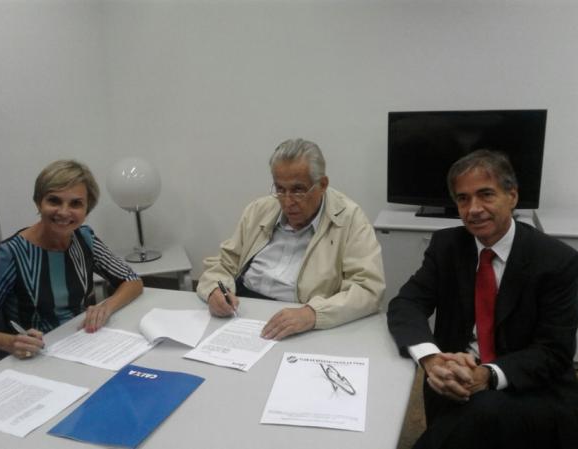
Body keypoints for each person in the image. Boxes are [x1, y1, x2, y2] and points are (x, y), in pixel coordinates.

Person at [387, 149, 578, 449]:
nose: (474, 209)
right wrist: (432, 358)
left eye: (486, 194)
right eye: (463, 199)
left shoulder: (557, 261)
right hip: (458, 374)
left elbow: (553, 351)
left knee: (481, 413)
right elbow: (406, 303)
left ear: (512, 196)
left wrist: (487, 375)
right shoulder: (447, 246)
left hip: (530, 386)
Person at [197, 138, 385, 340]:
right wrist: (215, 290)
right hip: (241, 312)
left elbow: (368, 289)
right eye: (280, 189)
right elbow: (223, 264)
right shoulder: (259, 210)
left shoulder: (349, 219)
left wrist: (313, 314)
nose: (287, 202)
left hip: (302, 320)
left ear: (322, 185)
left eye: (298, 190)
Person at [0, 160, 143, 361]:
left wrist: (106, 307)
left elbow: (131, 279)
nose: (64, 212)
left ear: (87, 209)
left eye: (75, 203)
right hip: (34, 357)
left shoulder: (85, 240)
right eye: (54, 201)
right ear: (39, 202)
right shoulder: (9, 255)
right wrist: (9, 342)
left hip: (84, 344)